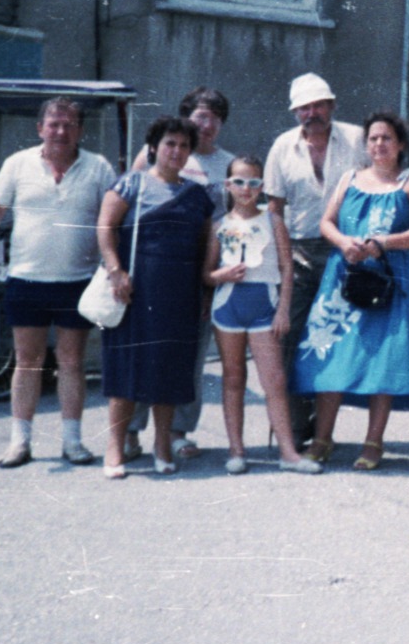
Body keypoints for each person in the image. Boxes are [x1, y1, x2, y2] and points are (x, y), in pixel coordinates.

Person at [0, 98, 117, 468]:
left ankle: (72, 441)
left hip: (78, 281)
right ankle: (19, 442)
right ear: (40, 128)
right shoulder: (17, 164)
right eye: (53, 124)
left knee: (71, 362)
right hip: (27, 279)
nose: (61, 131)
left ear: (81, 131)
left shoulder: (98, 167)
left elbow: (115, 218)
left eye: (69, 125)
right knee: (28, 362)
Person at [294, 112, 409, 469]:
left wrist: (384, 243)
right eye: (373, 139)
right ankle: (322, 438)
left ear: (400, 144)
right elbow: (326, 222)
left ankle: (374, 442)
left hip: (392, 283)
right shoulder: (350, 178)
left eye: (386, 138)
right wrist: (345, 243)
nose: (379, 145)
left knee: (384, 362)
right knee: (333, 356)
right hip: (345, 279)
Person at [96, 117, 216, 479]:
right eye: (169, 144)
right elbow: (105, 229)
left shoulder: (198, 196)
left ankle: (162, 446)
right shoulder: (129, 185)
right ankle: (114, 448)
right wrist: (116, 270)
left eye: (183, 146)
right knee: (127, 370)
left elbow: (204, 247)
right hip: (134, 288)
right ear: (153, 147)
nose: (176, 151)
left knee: (169, 371)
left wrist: (204, 291)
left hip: (178, 291)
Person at [127, 86, 234, 462]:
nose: (207, 125)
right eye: (200, 116)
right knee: (145, 350)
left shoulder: (229, 164)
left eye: (215, 118)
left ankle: (178, 431)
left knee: (190, 355)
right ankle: (131, 430)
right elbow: (130, 210)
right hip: (153, 267)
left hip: (202, 268)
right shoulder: (153, 156)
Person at [264, 73, 368, 447]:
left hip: (347, 249)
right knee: (291, 338)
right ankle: (292, 428)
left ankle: (323, 432)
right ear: (296, 112)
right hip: (299, 251)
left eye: (318, 105)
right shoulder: (281, 148)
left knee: (337, 342)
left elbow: (382, 183)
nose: (312, 113)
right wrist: (282, 260)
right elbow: (274, 209)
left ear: (332, 105)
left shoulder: (358, 139)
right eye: (304, 107)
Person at [204, 155, 321, 475]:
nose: (246, 188)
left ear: (262, 187)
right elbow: (207, 274)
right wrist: (222, 275)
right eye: (239, 182)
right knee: (233, 378)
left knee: (275, 380)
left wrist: (283, 309)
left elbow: (286, 268)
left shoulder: (273, 221)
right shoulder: (220, 225)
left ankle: (288, 453)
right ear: (228, 185)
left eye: (253, 182)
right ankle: (237, 450)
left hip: (265, 310)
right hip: (228, 308)